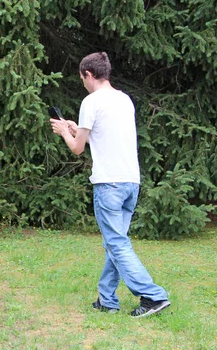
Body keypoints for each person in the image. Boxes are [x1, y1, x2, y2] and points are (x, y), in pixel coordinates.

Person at [50, 52, 170, 318]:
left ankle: (152, 296)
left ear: (88, 75)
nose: (82, 83)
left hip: (109, 185)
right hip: (130, 182)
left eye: (82, 78)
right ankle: (107, 299)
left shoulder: (91, 101)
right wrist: (75, 126)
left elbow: (78, 149)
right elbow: (104, 138)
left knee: (116, 243)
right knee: (116, 242)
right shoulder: (124, 100)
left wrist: (64, 134)